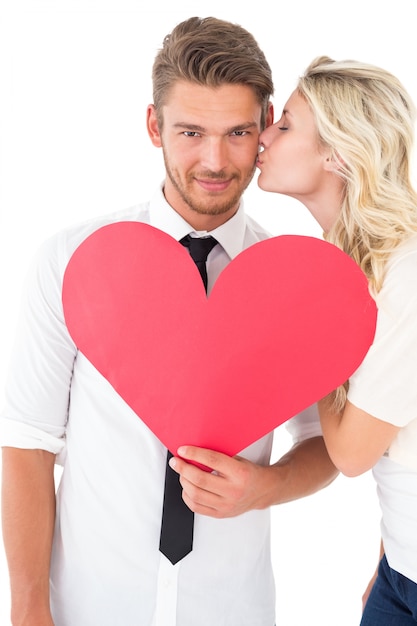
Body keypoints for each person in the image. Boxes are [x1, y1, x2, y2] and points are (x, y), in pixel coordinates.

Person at [0, 18, 338, 626]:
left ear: (265, 126)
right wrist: (27, 608)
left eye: (237, 132)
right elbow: (27, 442)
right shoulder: (73, 261)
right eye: (190, 132)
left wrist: (265, 488)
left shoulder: (289, 285)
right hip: (87, 607)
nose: (214, 160)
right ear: (154, 127)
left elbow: (322, 441)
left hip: (232, 608)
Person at [257, 55, 417, 624]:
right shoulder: (360, 266)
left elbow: (350, 454)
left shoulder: (406, 273)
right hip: (402, 570)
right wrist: (395, 553)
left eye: (286, 125)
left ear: (337, 152)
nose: (262, 137)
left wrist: (315, 339)